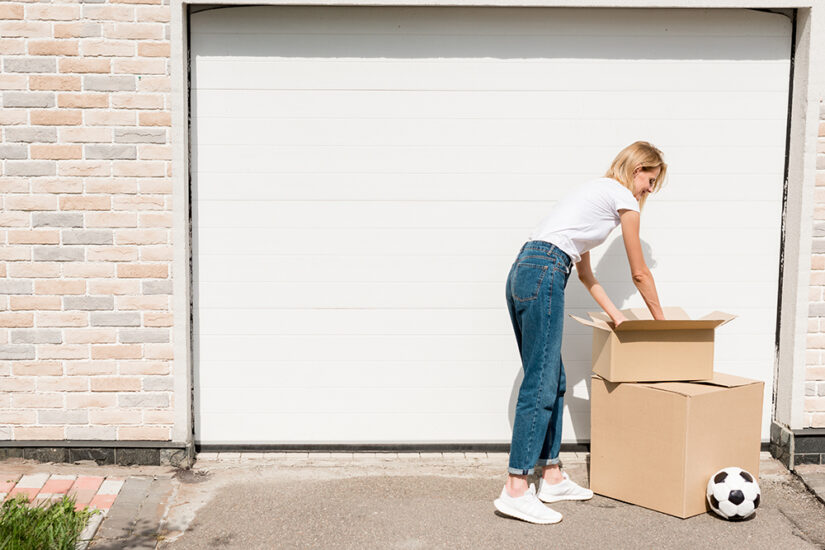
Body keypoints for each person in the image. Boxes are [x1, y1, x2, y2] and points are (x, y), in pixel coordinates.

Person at [493, 141, 668, 524]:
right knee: (541, 381)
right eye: (650, 179)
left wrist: (617, 317)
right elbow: (640, 272)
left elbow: (587, 275)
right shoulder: (623, 198)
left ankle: (551, 475)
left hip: (527, 267)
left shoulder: (594, 194)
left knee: (554, 380)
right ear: (637, 168)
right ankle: (516, 487)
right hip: (545, 270)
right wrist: (663, 325)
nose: (649, 190)